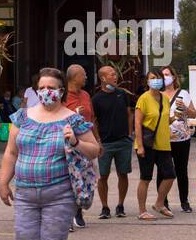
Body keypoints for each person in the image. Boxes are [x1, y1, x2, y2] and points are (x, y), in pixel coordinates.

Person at [0, 67, 100, 240]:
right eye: (42, 88)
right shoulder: (22, 117)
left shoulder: (72, 119)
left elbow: (95, 150)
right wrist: (3, 182)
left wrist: (75, 141)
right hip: (25, 192)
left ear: (60, 91)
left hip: (59, 193)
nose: (46, 92)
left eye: (51, 88)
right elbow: (11, 152)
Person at [92, 65, 135, 219]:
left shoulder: (122, 94)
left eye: (115, 74)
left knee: (123, 174)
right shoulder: (96, 99)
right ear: (103, 78)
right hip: (105, 144)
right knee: (102, 176)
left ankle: (120, 205)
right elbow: (93, 121)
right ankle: (105, 207)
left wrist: (130, 134)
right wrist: (98, 141)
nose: (115, 76)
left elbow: (130, 114)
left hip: (123, 142)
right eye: (111, 74)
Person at [134, 69, 176, 220]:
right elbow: (137, 124)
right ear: (147, 81)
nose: (156, 80)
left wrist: (175, 118)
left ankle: (159, 203)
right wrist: (140, 145)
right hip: (147, 143)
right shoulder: (143, 99)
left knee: (170, 175)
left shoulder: (164, 98)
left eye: (158, 78)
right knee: (146, 177)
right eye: (152, 78)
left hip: (163, 143)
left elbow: (163, 119)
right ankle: (142, 211)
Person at [63, 64, 95, 229]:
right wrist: (74, 114)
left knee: (85, 179)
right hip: (68, 144)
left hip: (85, 143)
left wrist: (97, 142)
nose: (86, 77)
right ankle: (69, 216)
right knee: (69, 180)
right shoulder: (63, 96)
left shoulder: (86, 94)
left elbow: (92, 118)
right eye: (83, 75)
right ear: (74, 77)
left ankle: (78, 210)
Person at [161, 66, 196, 212]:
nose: (165, 77)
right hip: (163, 138)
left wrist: (186, 109)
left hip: (182, 138)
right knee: (163, 171)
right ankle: (163, 201)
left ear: (174, 77)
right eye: (162, 75)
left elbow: (194, 114)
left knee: (181, 171)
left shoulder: (183, 94)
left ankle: (184, 201)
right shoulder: (158, 95)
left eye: (167, 74)